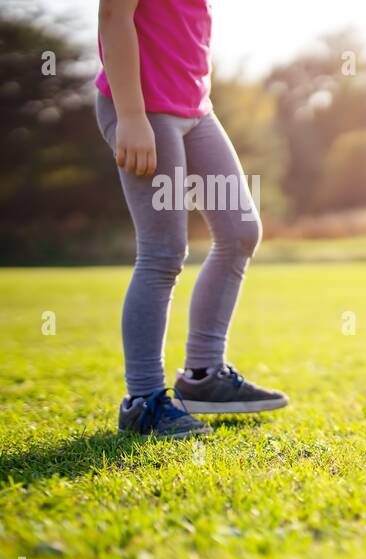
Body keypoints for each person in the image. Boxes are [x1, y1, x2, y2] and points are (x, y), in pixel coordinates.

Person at [96, 0, 287, 439]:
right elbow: (113, 15)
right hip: (145, 111)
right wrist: (131, 116)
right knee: (163, 252)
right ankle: (143, 401)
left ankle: (204, 375)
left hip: (196, 112)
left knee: (240, 232)